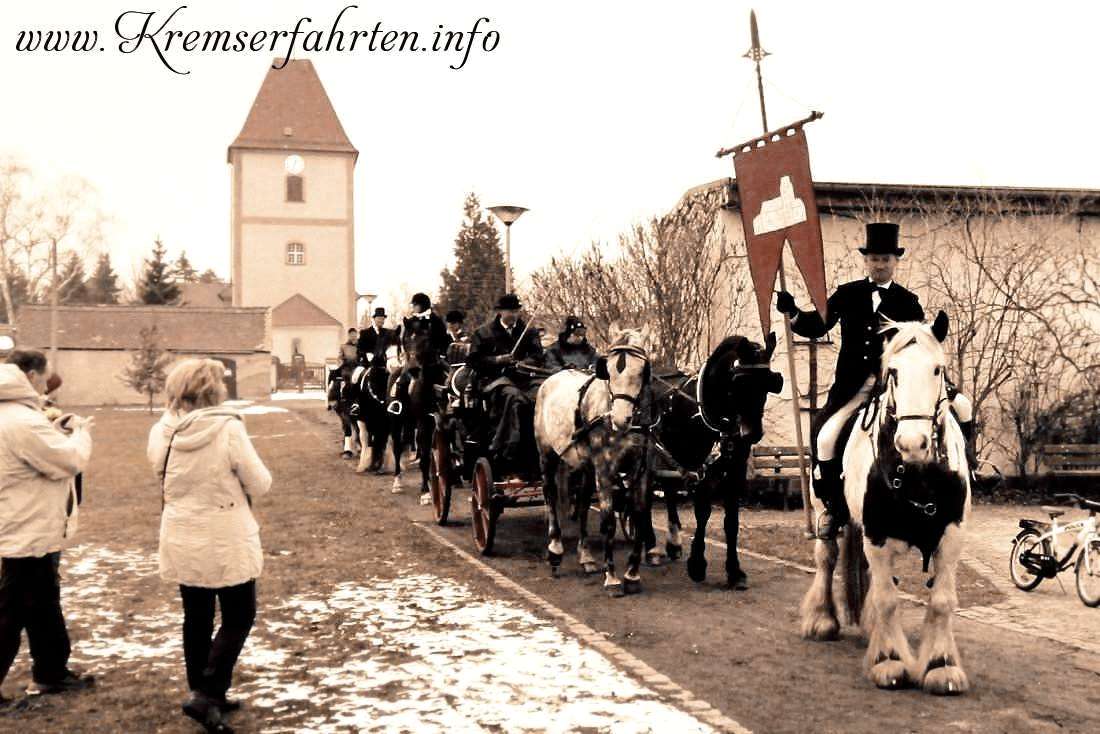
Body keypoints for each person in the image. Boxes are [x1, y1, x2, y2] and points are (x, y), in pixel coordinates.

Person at [776, 222, 973, 539]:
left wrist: (943, 381)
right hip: (854, 390)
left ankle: (967, 469)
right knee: (825, 439)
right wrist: (794, 312)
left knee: (962, 407)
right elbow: (815, 326)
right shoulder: (847, 294)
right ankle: (833, 509)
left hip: (895, 388)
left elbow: (922, 344)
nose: (880, 264)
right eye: (875, 259)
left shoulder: (908, 301)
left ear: (896, 262)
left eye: (886, 259)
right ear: (866, 261)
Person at [148, 359, 272, 732]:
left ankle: (204, 694)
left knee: (197, 617)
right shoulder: (227, 429)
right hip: (226, 531)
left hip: (183, 530)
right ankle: (208, 692)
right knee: (239, 614)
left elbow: (157, 469)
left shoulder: (163, 431)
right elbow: (260, 482)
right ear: (212, 389)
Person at [0, 350, 95, 706]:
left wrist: (54, 432)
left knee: (42, 601)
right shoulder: (23, 419)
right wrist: (80, 433)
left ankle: (51, 671)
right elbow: (67, 461)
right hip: (27, 525)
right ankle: (49, 671)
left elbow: (33, 454)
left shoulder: (12, 414)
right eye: (45, 377)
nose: (47, 384)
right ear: (31, 375)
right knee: (12, 610)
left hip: (21, 520)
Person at [467, 293, 544, 475]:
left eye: (516, 311)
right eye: (510, 311)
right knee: (513, 397)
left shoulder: (529, 332)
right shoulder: (483, 333)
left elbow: (538, 356)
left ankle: (538, 444)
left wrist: (525, 363)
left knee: (541, 395)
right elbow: (474, 361)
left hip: (524, 380)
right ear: (500, 312)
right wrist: (498, 360)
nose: (514, 315)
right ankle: (507, 444)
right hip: (493, 381)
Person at [401, 293, 449, 362]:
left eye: (415, 305)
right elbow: (404, 339)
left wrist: (440, 353)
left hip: (433, 358)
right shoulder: (411, 321)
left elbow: (443, 340)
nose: (413, 307)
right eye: (413, 305)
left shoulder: (436, 320)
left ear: (423, 305)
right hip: (413, 358)